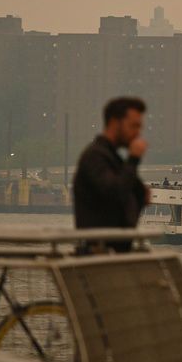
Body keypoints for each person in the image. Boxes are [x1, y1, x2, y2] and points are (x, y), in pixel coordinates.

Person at [73, 97, 149, 253]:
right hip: (98, 255)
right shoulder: (94, 157)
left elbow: (127, 201)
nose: (137, 133)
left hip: (115, 253)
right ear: (115, 122)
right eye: (133, 126)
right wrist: (133, 159)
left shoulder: (113, 158)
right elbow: (114, 192)